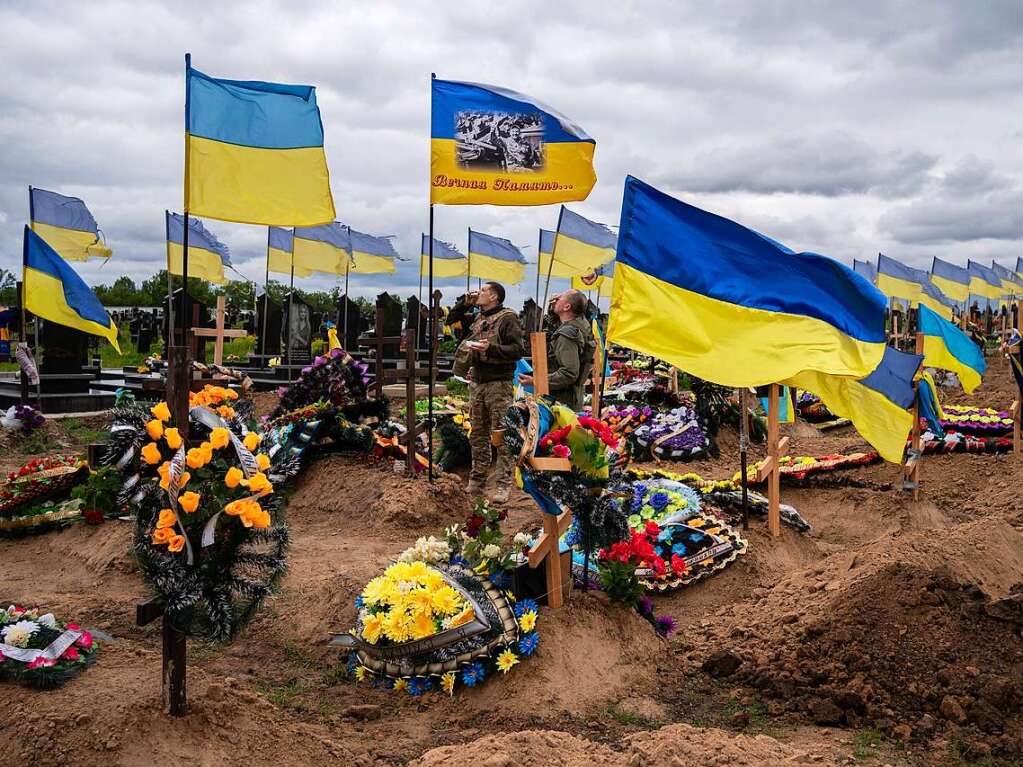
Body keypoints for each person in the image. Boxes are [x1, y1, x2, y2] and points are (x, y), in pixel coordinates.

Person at [458, 282, 525, 501]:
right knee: (477, 434)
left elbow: (517, 350)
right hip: (477, 383)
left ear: (495, 296)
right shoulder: (479, 318)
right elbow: (452, 322)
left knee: (502, 434)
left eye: (484, 291)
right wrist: (463, 304)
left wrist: (491, 349)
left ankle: (502, 485)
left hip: (498, 384)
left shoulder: (508, 319)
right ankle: (476, 481)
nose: (479, 293)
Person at [518, 289, 595, 411]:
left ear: (567, 306)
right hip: (570, 397)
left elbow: (569, 373)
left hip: (562, 402)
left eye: (560, 298)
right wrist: (555, 306)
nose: (556, 298)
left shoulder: (567, 333)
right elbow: (554, 321)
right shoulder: (580, 323)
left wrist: (536, 381)